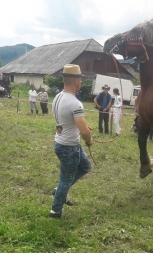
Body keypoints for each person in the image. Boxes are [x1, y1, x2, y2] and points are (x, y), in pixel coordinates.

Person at [49, 64, 93, 219]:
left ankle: (60, 190)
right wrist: (89, 139)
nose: (81, 82)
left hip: (64, 143)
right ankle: (55, 211)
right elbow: (84, 132)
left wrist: (83, 129)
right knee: (66, 179)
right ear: (75, 81)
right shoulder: (75, 103)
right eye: (80, 79)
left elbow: (67, 120)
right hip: (69, 147)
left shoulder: (58, 97)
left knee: (86, 167)